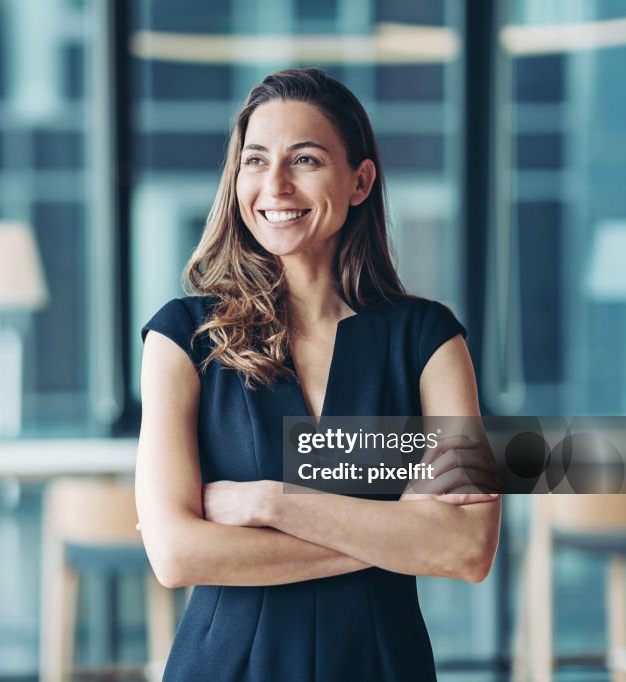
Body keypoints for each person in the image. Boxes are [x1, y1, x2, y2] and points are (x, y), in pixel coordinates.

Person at [136, 67, 501, 681]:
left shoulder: (430, 339)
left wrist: (268, 502)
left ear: (360, 182)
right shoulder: (182, 338)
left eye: (304, 159)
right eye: (255, 161)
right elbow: (175, 554)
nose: (274, 184)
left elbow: (467, 549)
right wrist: (397, 534)